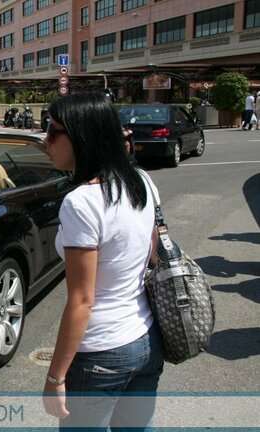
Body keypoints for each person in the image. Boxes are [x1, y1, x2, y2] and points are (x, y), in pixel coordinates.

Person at [42, 93, 164, 430]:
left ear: (82, 135)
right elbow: (151, 254)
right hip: (146, 338)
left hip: (101, 352)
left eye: (53, 131)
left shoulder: (81, 202)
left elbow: (82, 301)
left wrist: (55, 377)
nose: (45, 141)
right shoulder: (141, 181)